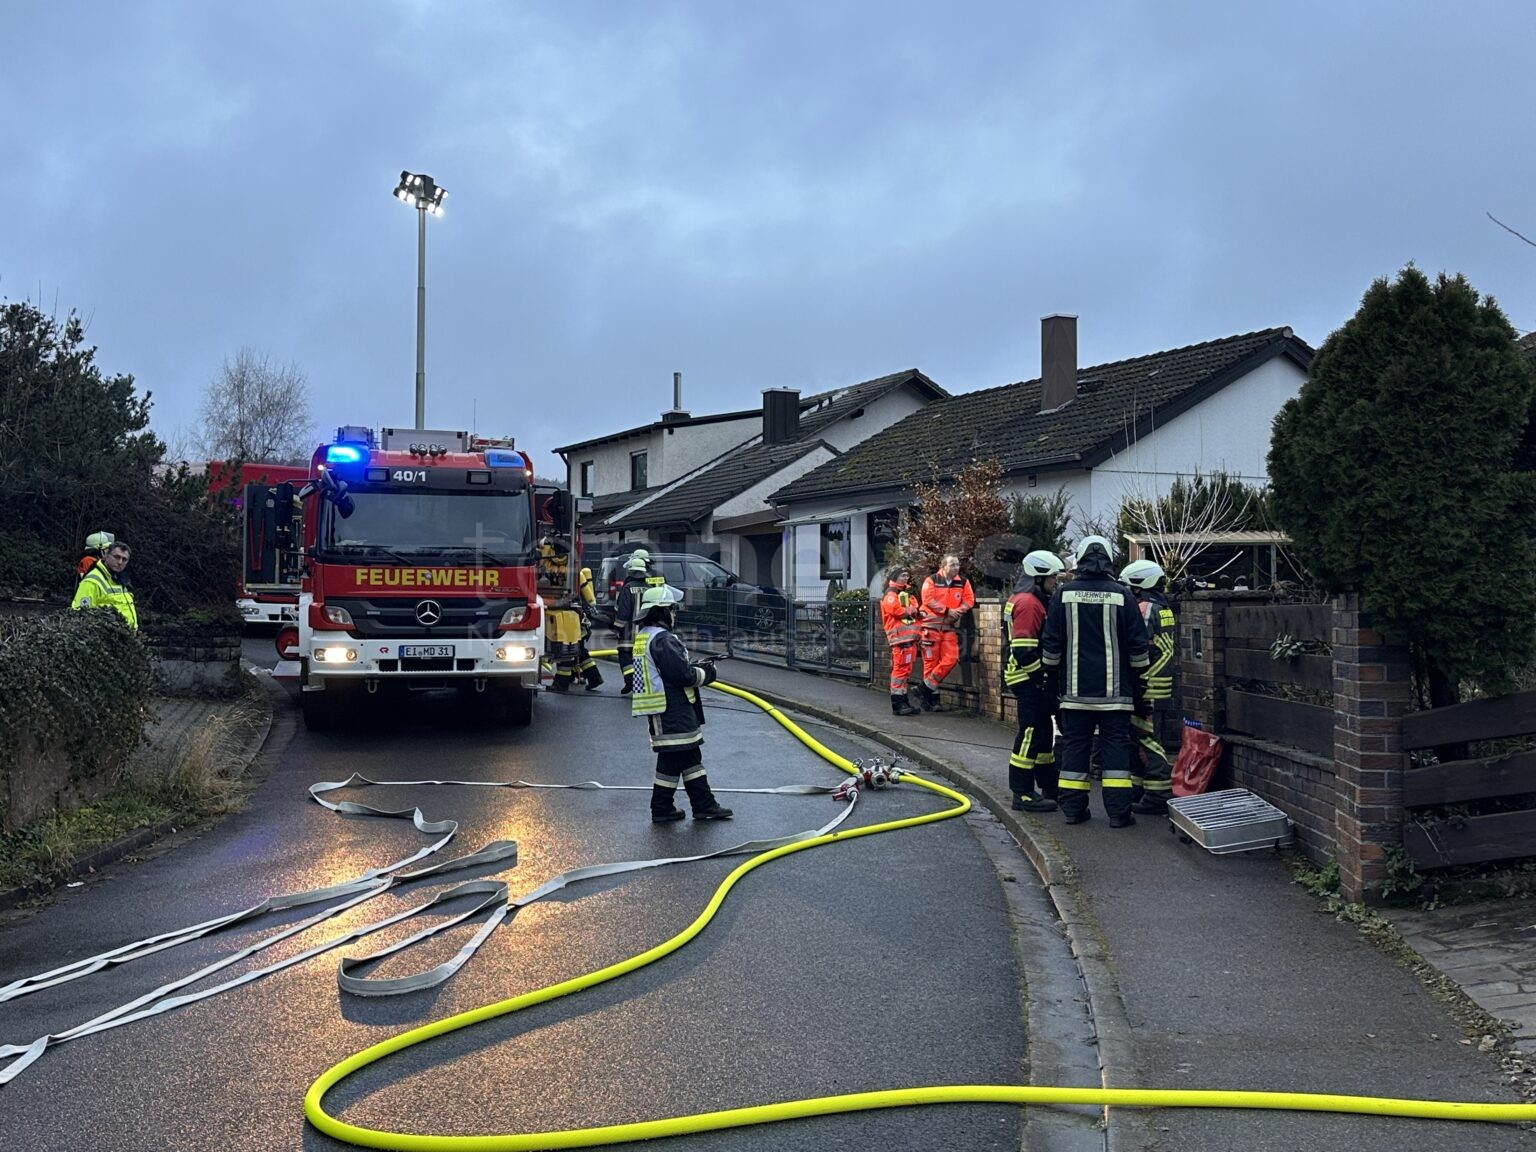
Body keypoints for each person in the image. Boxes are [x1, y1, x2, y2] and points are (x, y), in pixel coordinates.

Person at [1040, 535, 1149, 827]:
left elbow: (1050, 646)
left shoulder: (1063, 595)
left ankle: (1074, 811)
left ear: (1079, 559)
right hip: (1117, 695)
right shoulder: (1123, 595)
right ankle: (1118, 814)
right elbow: (1139, 646)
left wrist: (1050, 680)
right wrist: (1140, 683)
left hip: (1074, 694)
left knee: (1075, 749)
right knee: (1115, 751)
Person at [630, 583, 733, 822]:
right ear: (663, 612)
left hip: (663, 707)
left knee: (689, 756)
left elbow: (667, 670)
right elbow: (682, 676)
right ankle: (664, 808)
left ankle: (702, 805)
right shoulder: (663, 639)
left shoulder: (645, 637)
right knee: (673, 757)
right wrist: (708, 673)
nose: (675, 614)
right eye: (672, 610)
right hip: (671, 708)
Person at [1005, 550, 1066, 812]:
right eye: (1053, 577)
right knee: (1031, 732)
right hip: (1027, 677)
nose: (1056, 583)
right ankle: (1023, 793)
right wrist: (1042, 678)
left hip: (1028, 677)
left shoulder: (1029, 599)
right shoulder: (1029, 604)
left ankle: (1048, 787)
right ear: (1039, 578)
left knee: (1043, 734)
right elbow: (1023, 649)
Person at [1121, 559, 1177, 815]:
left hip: (1148, 684)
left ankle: (1157, 794)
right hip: (1161, 683)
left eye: (1130, 587)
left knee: (1147, 739)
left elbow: (1138, 647)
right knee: (1143, 738)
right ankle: (1140, 789)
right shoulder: (1163, 608)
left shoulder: (1144, 609)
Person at [915, 554, 975, 710]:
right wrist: (947, 611)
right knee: (931, 664)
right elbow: (928, 600)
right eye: (953, 564)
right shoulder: (932, 580)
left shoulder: (963, 582)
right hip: (930, 627)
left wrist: (958, 611)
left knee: (951, 658)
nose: (956, 567)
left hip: (948, 627)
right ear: (943, 566)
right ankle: (932, 700)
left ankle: (924, 688)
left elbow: (969, 600)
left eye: (957, 564)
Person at [879, 564, 922, 715]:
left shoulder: (904, 594)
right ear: (894, 578)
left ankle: (903, 702)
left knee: (905, 672)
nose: (906, 578)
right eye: (902, 576)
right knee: (900, 672)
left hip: (908, 640)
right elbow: (897, 611)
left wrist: (912, 610)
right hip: (899, 640)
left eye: (906, 575)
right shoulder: (891, 594)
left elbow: (916, 608)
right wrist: (911, 610)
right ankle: (898, 704)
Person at [71, 540, 138, 631]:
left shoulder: (119, 580)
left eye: (124, 559)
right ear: (106, 556)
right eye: (116, 557)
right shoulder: (92, 581)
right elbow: (79, 615)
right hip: (104, 641)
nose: (120, 562)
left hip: (125, 639)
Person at [614, 549, 654, 695]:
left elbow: (622, 611)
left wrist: (617, 628)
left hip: (628, 631)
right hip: (646, 631)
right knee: (642, 658)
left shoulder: (627, 588)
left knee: (625, 656)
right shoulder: (649, 588)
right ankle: (640, 683)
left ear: (631, 572)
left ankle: (630, 681)